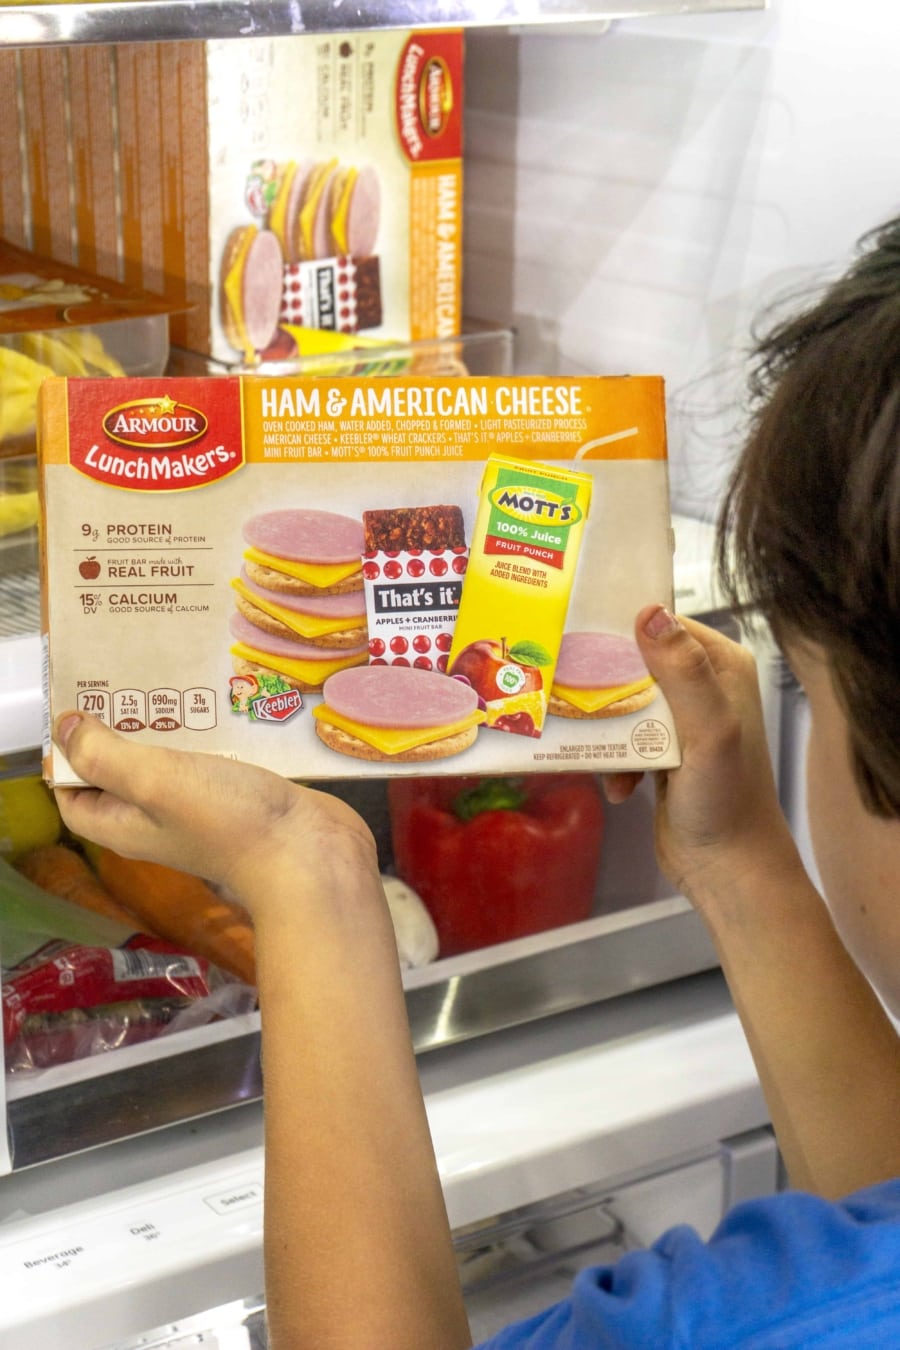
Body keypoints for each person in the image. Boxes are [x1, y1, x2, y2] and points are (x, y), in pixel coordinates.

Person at [51, 216, 900, 1349]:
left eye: (805, 685)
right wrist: (741, 859)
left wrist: (308, 876)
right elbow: (869, 1233)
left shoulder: (727, 1325)